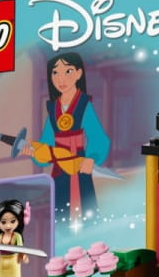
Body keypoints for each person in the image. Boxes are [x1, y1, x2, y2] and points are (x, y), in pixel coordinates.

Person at [24, 52, 110, 222]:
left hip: (79, 164)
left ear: (78, 73)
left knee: (85, 211)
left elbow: (98, 137)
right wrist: (35, 152)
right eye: (55, 73)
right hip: (59, 169)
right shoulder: (53, 108)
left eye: (68, 71)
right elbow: (47, 142)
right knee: (61, 212)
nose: (61, 79)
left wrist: (91, 158)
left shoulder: (83, 105)